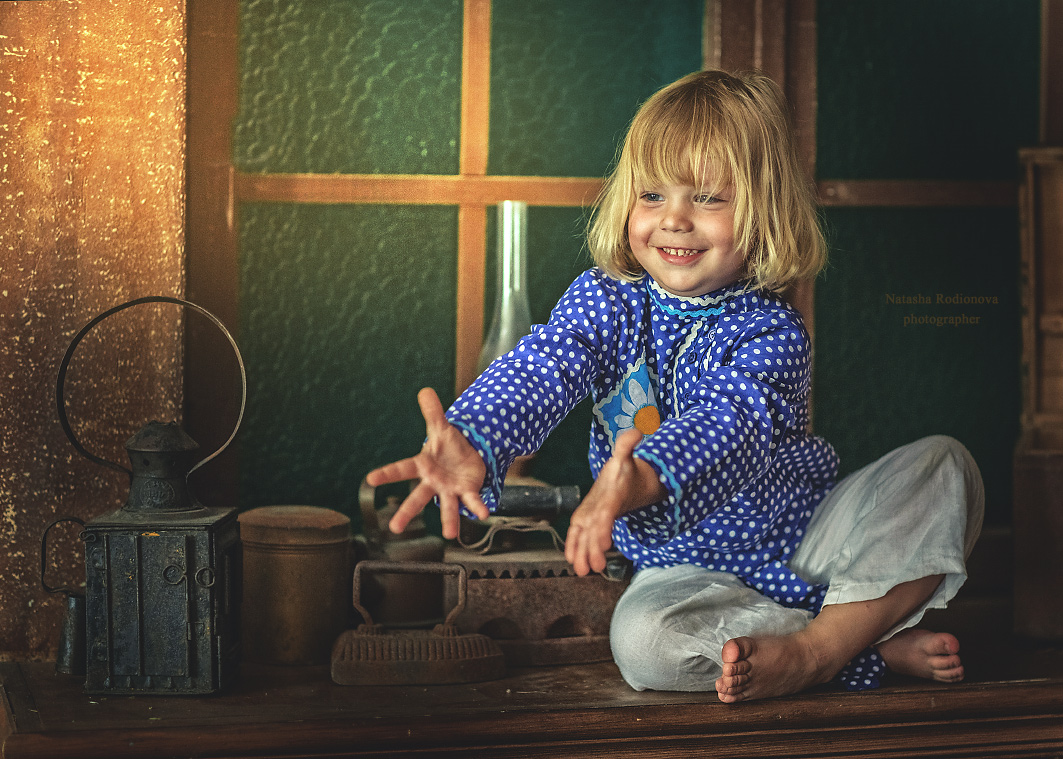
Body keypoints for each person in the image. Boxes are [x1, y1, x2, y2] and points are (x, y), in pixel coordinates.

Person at [366, 69, 983, 703]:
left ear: (764, 210)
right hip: (686, 574)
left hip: (810, 542)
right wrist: (478, 435)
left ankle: (817, 652)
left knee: (945, 467)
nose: (674, 221)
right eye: (652, 195)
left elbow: (732, 421)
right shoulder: (607, 301)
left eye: (709, 198)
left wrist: (645, 474)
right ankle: (859, 644)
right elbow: (546, 363)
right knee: (642, 646)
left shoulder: (773, 330)